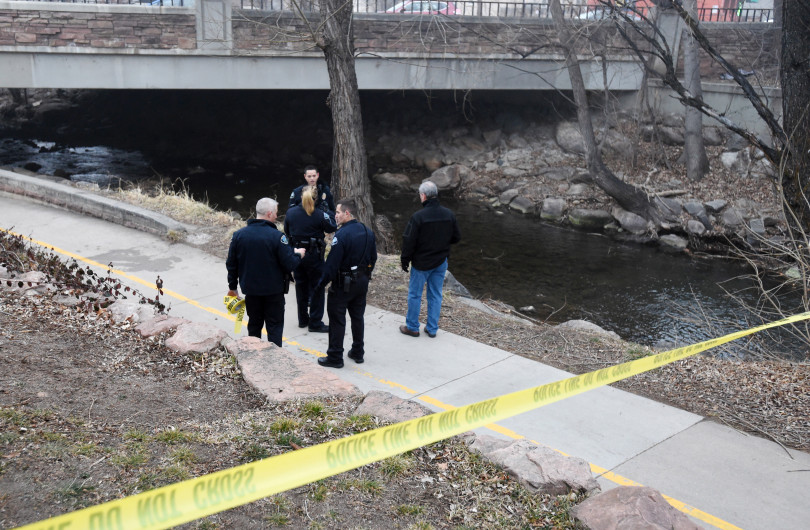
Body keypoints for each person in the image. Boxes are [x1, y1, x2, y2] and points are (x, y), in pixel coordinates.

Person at [226, 197, 305, 347]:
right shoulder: (277, 237)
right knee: (274, 329)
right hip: (273, 293)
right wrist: (298, 255)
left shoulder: (239, 236)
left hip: (251, 292)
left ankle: (253, 355)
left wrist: (233, 287)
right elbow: (289, 264)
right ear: (269, 214)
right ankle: (274, 359)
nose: (277, 215)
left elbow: (231, 264)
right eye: (275, 212)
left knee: (254, 326)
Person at [316, 198, 377, 368]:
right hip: (361, 282)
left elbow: (332, 265)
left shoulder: (342, 235)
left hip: (342, 284)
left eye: (337, 212)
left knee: (337, 319)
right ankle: (358, 351)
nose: (335, 215)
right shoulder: (367, 232)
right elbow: (373, 258)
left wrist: (320, 285)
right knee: (357, 317)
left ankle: (335, 356)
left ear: (347, 213)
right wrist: (365, 274)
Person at [400, 180, 461, 338]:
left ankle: (412, 327)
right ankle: (432, 328)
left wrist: (405, 260)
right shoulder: (449, 214)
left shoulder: (418, 217)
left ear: (423, 196)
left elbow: (408, 241)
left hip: (421, 263)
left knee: (415, 295)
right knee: (435, 295)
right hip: (440, 261)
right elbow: (456, 237)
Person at [283, 185, 337, 333]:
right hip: (314, 255)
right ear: (316, 199)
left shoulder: (291, 213)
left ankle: (302, 319)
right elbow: (332, 227)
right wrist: (328, 211)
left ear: (301, 197)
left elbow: (287, 231)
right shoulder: (319, 214)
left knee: (300, 286)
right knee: (317, 288)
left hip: (297, 254)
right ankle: (315, 322)